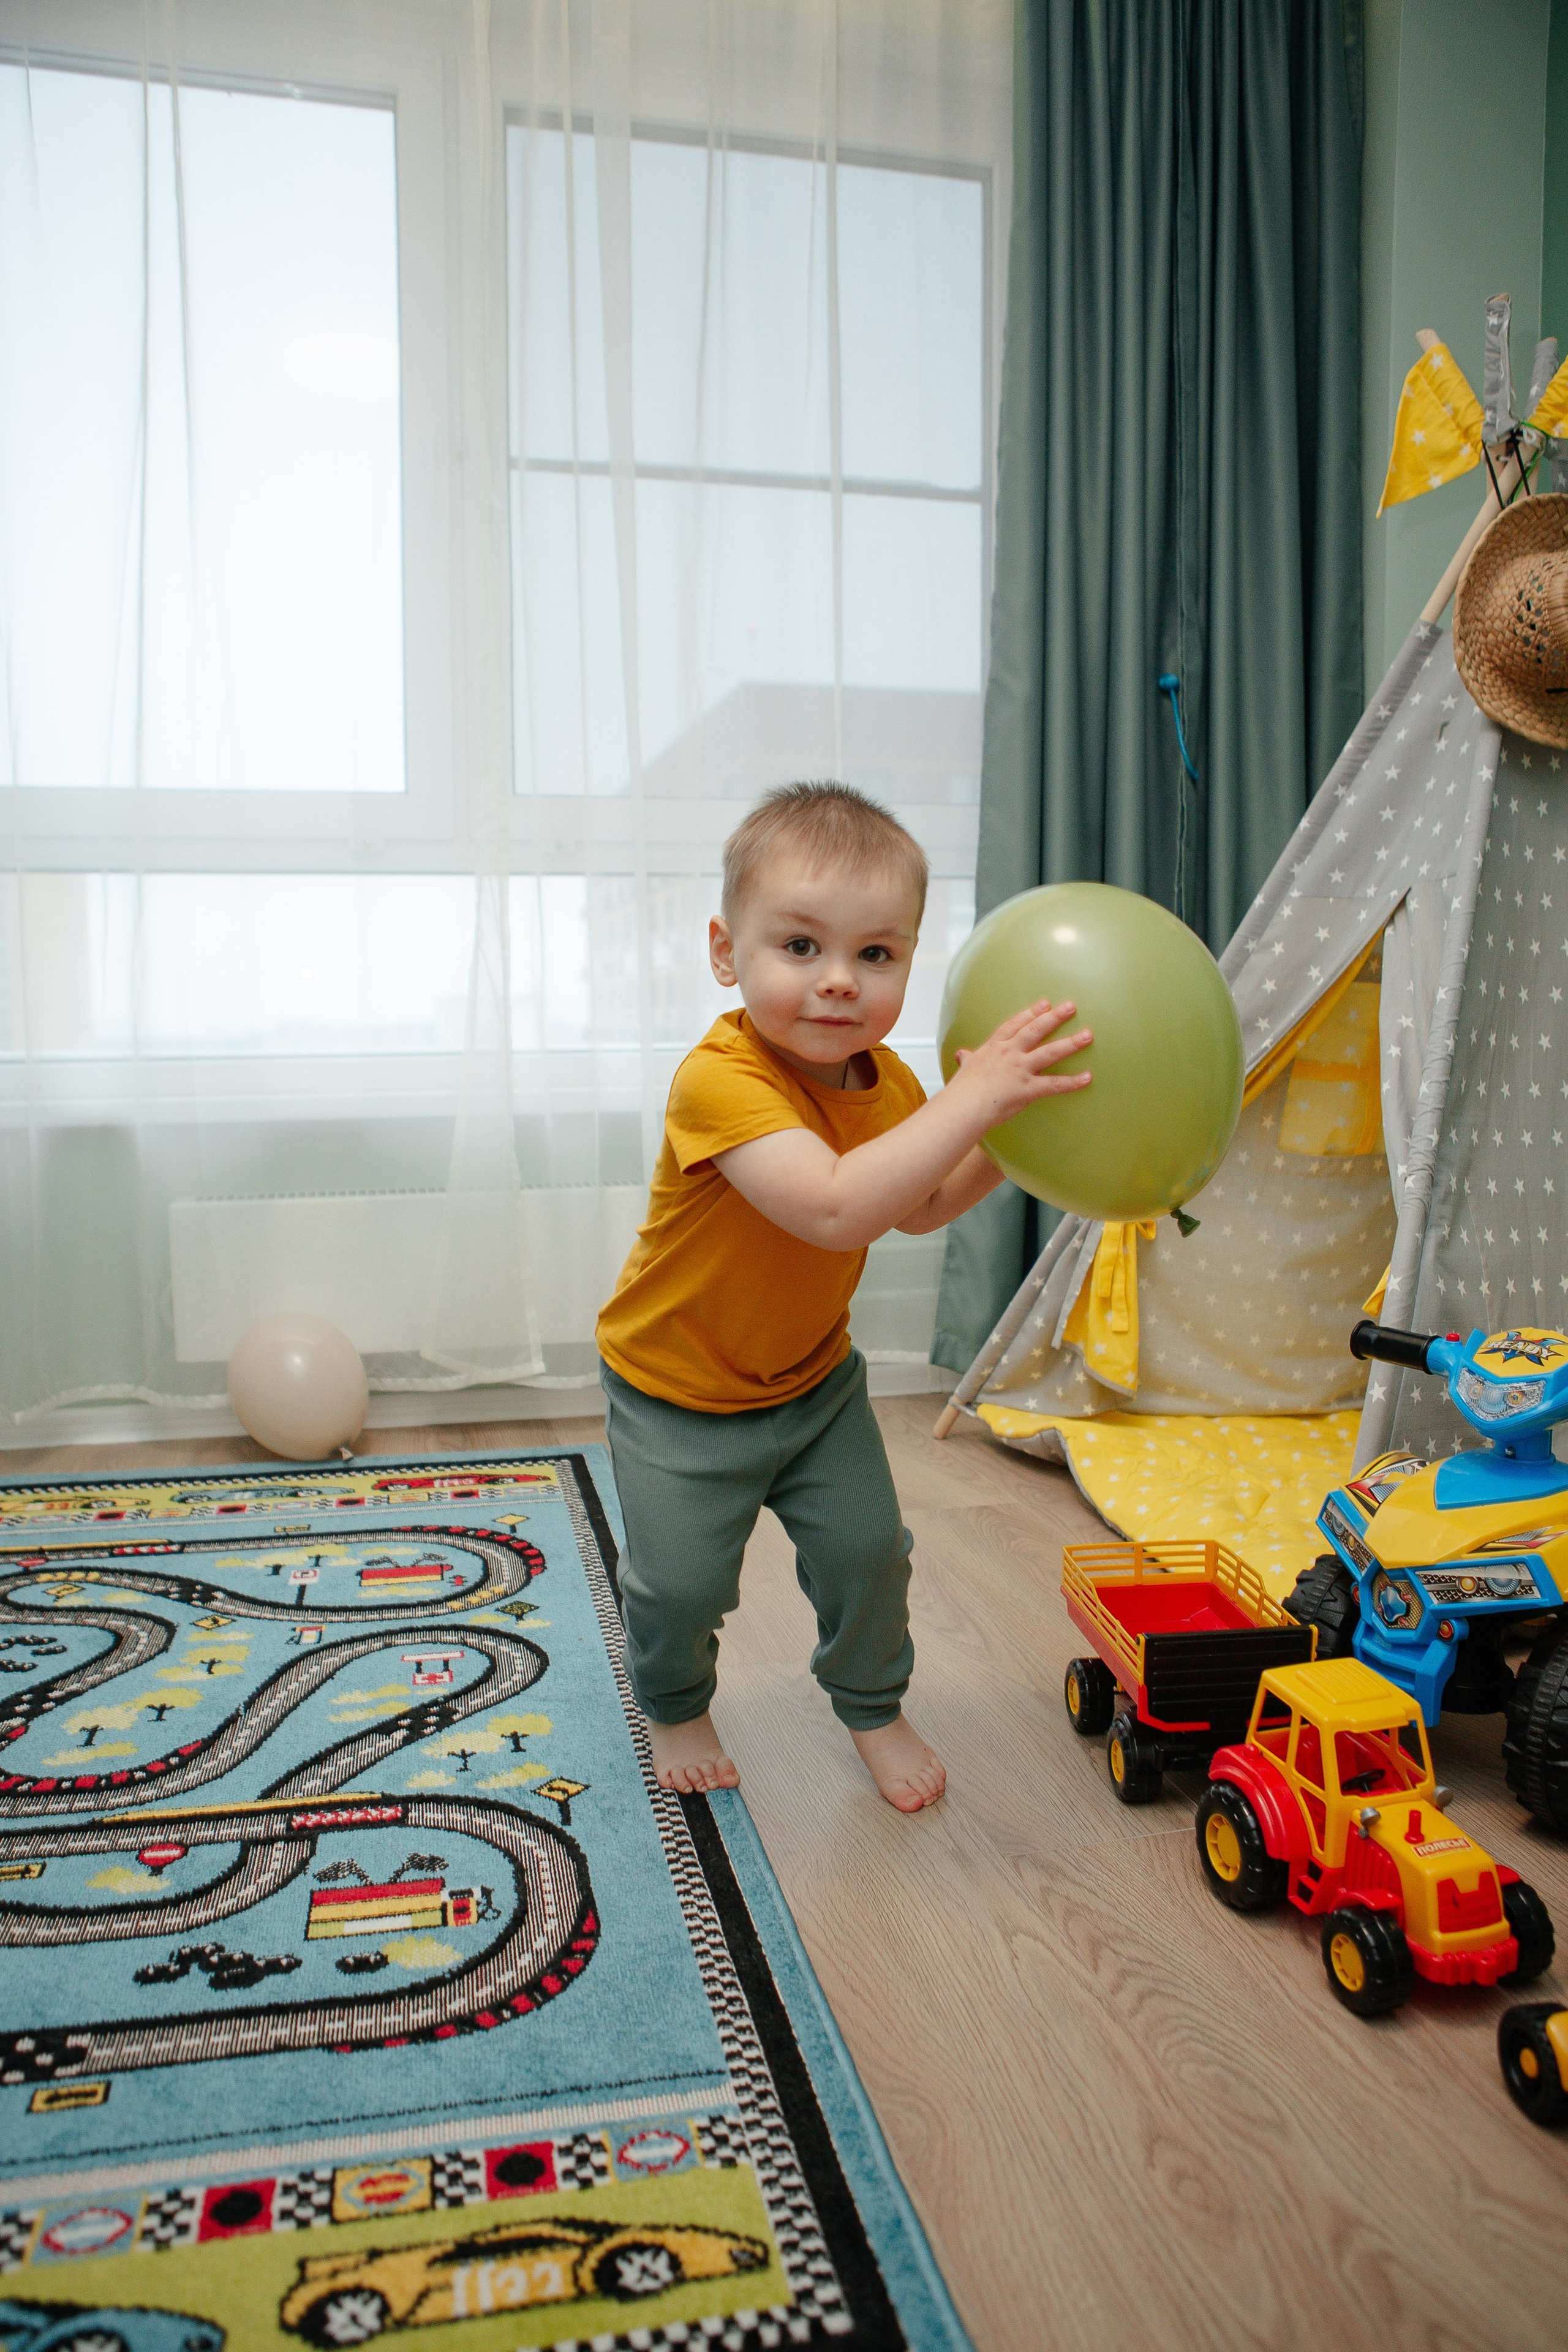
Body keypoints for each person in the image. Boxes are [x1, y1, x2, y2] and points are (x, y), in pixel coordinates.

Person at [596, 782, 1091, 1812]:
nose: (838, 984)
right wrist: (970, 1100)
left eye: (876, 955)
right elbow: (830, 1209)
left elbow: (917, 1206)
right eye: (801, 948)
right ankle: (676, 1698)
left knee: (871, 1556)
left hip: (812, 1385)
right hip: (676, 1393)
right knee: (681, 1587)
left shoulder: (892, 1086)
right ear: (728, 955)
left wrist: (1014, 1137)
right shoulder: (720, 1081)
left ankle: (873, 1707)